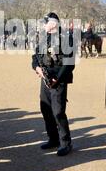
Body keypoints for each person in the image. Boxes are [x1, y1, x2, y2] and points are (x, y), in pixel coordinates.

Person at [32, 12, 75, 157]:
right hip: (45, 79)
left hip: (58, 81)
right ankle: (53, 139)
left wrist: (57, 78)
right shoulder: (45, 38)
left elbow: (69, 63)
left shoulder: (66, 38)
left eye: (46, 22)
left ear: (53, 23)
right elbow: (35, 57)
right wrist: (37, 68)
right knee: (46, 110)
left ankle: (65, 143)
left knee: (58, 112)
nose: (43, 25)